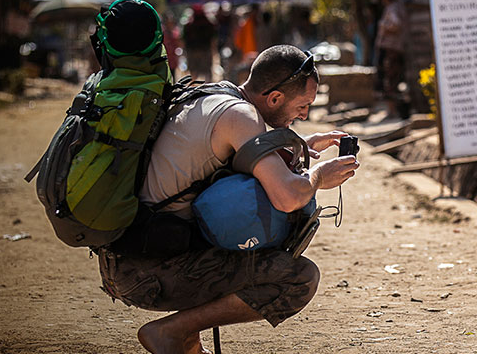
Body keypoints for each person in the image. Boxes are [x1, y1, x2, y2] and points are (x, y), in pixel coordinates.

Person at [98, 45, 359, 353]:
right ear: (274, 98)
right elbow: (288, 197)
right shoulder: (241, 116)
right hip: (150, 274)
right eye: (303, 105)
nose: (305, 114)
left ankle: (187, 342)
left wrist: (298, 145)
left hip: (126, 260)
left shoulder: (218, 95)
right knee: (299, 277)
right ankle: (172, 331)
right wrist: (318, 177)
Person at [374, 0, 406, 119]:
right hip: (393, 49)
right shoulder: (396, 7)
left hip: (391, 49)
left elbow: (395, 24)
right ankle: (393, 110)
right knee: (391, 80)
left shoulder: (393, 9)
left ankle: (392, 111)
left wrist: (383, 26)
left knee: (390, 80)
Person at [181, 4, 216, 81]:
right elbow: (213, 38)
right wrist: (213, 50)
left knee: (194, 71)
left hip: (192, 51)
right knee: (206, 71)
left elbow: (183, 39)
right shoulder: (208, 23)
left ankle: (193, 87)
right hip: (205, 50)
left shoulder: (188, 24)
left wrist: (184, 50)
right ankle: (209, 87)